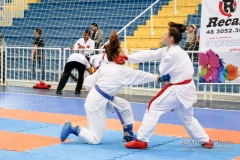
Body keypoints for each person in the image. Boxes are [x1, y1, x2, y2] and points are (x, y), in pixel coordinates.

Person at [60, 31, 161, 144]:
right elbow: (141, 76)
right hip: (96, 103)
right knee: (95, 139)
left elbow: (88, 82)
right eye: (123, 53)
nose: (125, 55)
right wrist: (157, 78)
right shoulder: (123, 71)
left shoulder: (105, 67)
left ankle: (128, 135)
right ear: (118, 57)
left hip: (101, 98)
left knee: (124, 105)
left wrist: (94, 90)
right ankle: (73, 128)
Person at [125, 22, 214, 149]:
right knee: (187, 117)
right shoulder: (170, 50)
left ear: (171, 38)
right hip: (186, 88)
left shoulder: (172, 53)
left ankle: (142, 140)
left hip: (179, 88)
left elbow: (162, 71)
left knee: (153, 107)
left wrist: (165, 72)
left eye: (165, 34)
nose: (162, 35)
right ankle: (205, 140)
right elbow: (150, 54)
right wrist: (128, 58)